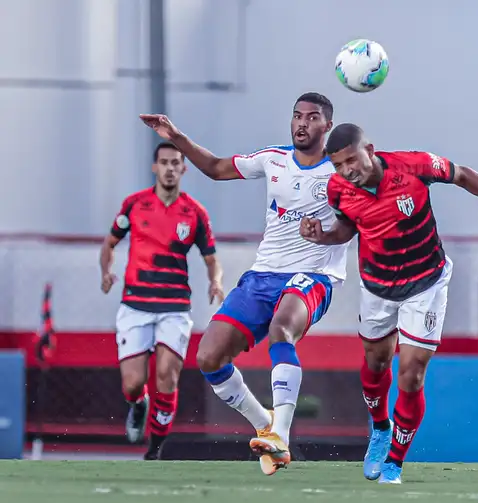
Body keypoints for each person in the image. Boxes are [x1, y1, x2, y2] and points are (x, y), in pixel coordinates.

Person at [300, 123, 478, 484]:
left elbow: (462, 175)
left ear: (369, 148)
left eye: (351, 159)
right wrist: (324, 237)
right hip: (378, 287)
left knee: (412, 375)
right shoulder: (338, 190)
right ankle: (380, 430)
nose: (347, 170)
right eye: (338, 165)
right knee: (376, 363)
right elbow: (347, 228)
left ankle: (394, 464)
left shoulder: (414, 166)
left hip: (426, 283)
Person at [139, 93, 349, 475]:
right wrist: (177, 136)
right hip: (263, 275)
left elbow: (352, 226)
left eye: (312, 117)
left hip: (313, 276)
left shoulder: (340, 172)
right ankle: (264, 423)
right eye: (296, 115)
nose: (302, 123)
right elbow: (218, 168)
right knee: (208, 356)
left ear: (327, 126)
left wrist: (327, 234)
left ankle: (281, 435)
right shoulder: (273, 160)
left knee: (281, 330)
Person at [100, 141, 225, 460]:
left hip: (174, 307)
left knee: (167, 376)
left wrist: (216, 282)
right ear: (155, 168)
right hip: (135, 305)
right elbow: (110, 243)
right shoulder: (134, 205)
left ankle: (155, 447)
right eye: (164, 163)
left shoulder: (194, 213)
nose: (170, 168)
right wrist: (106, 272)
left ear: (184, 168)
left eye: (175, 163)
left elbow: (211, 258)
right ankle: (138, 405)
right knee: (133, 382)